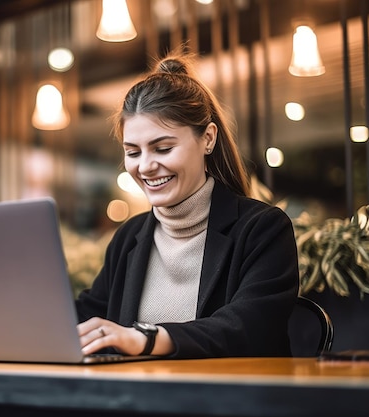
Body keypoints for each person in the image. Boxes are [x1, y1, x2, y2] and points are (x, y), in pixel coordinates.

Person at [75, 51, 299, 359]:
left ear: (208, 139)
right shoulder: (129, 238)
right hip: (136, 402)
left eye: (163, 148)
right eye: (133, 152)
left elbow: (249, 327)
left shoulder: (262, 229)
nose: (146, 166)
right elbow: (85, 318)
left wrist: (146, 338)